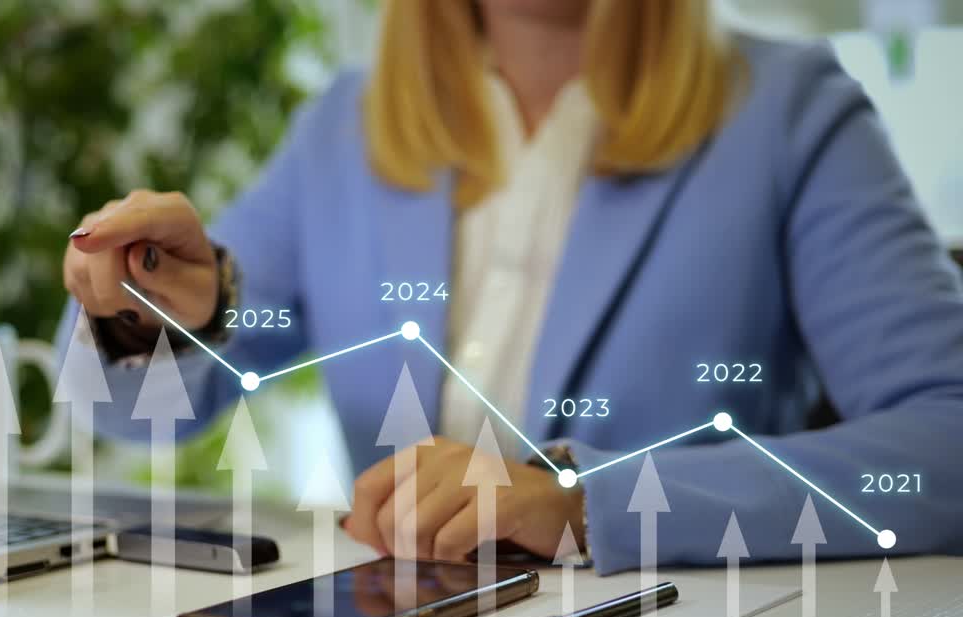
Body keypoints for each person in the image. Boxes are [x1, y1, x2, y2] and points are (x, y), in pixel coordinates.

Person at [58, 0, 963, 574]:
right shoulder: (343, 129)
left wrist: (580, 501)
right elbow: (137, 411)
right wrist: (149, 310)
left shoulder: (793, 114)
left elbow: (946, 441)